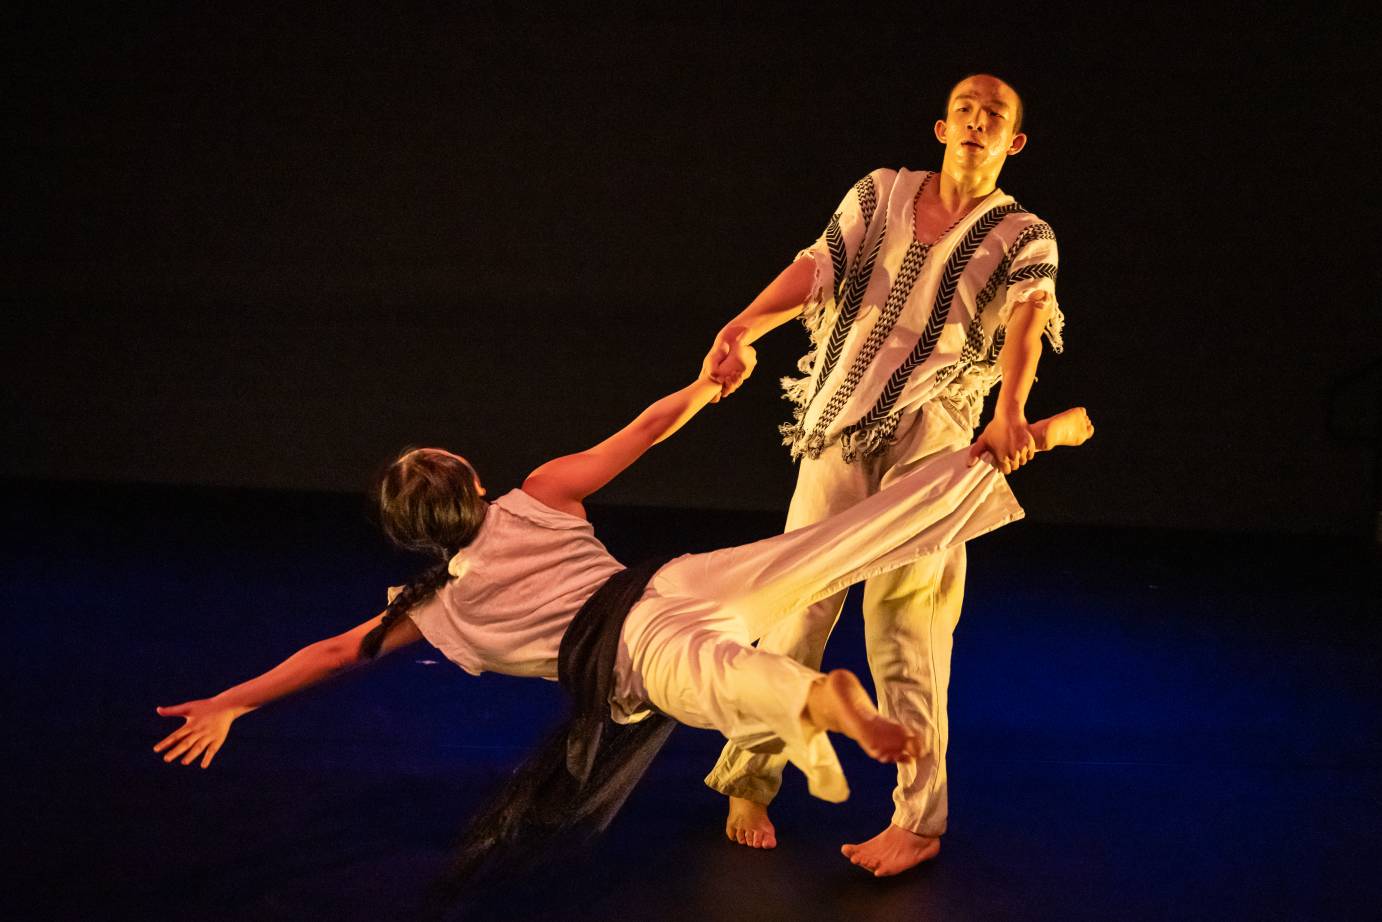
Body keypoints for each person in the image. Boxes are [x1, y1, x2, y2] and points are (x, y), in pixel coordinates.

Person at [153, 343, 1091, 868]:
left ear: (415, 536)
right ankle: (999, 453)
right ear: (474, 482)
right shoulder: (539, 491)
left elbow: (330, 652)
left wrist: (234, 701)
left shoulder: (437, 606)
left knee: (727, 680)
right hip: (669, 580)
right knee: (828, 547)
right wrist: (707, 386)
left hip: (635, 649)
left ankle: (819, 704)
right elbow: (643, 430)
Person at [699, 73, 1071, 876]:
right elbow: (817, 270)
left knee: (907, 623)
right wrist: (744, 323)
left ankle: (919, 818)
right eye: (965, 110)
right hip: (837, 420)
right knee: (793, 605)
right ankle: (749, 774)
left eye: (995, 115)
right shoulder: (879, 194)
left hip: (935, 437)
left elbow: (1030, 324)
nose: (978, 122)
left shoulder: (1025, 233)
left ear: (1016, 142)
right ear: (941, 126)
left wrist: (1012, 410)